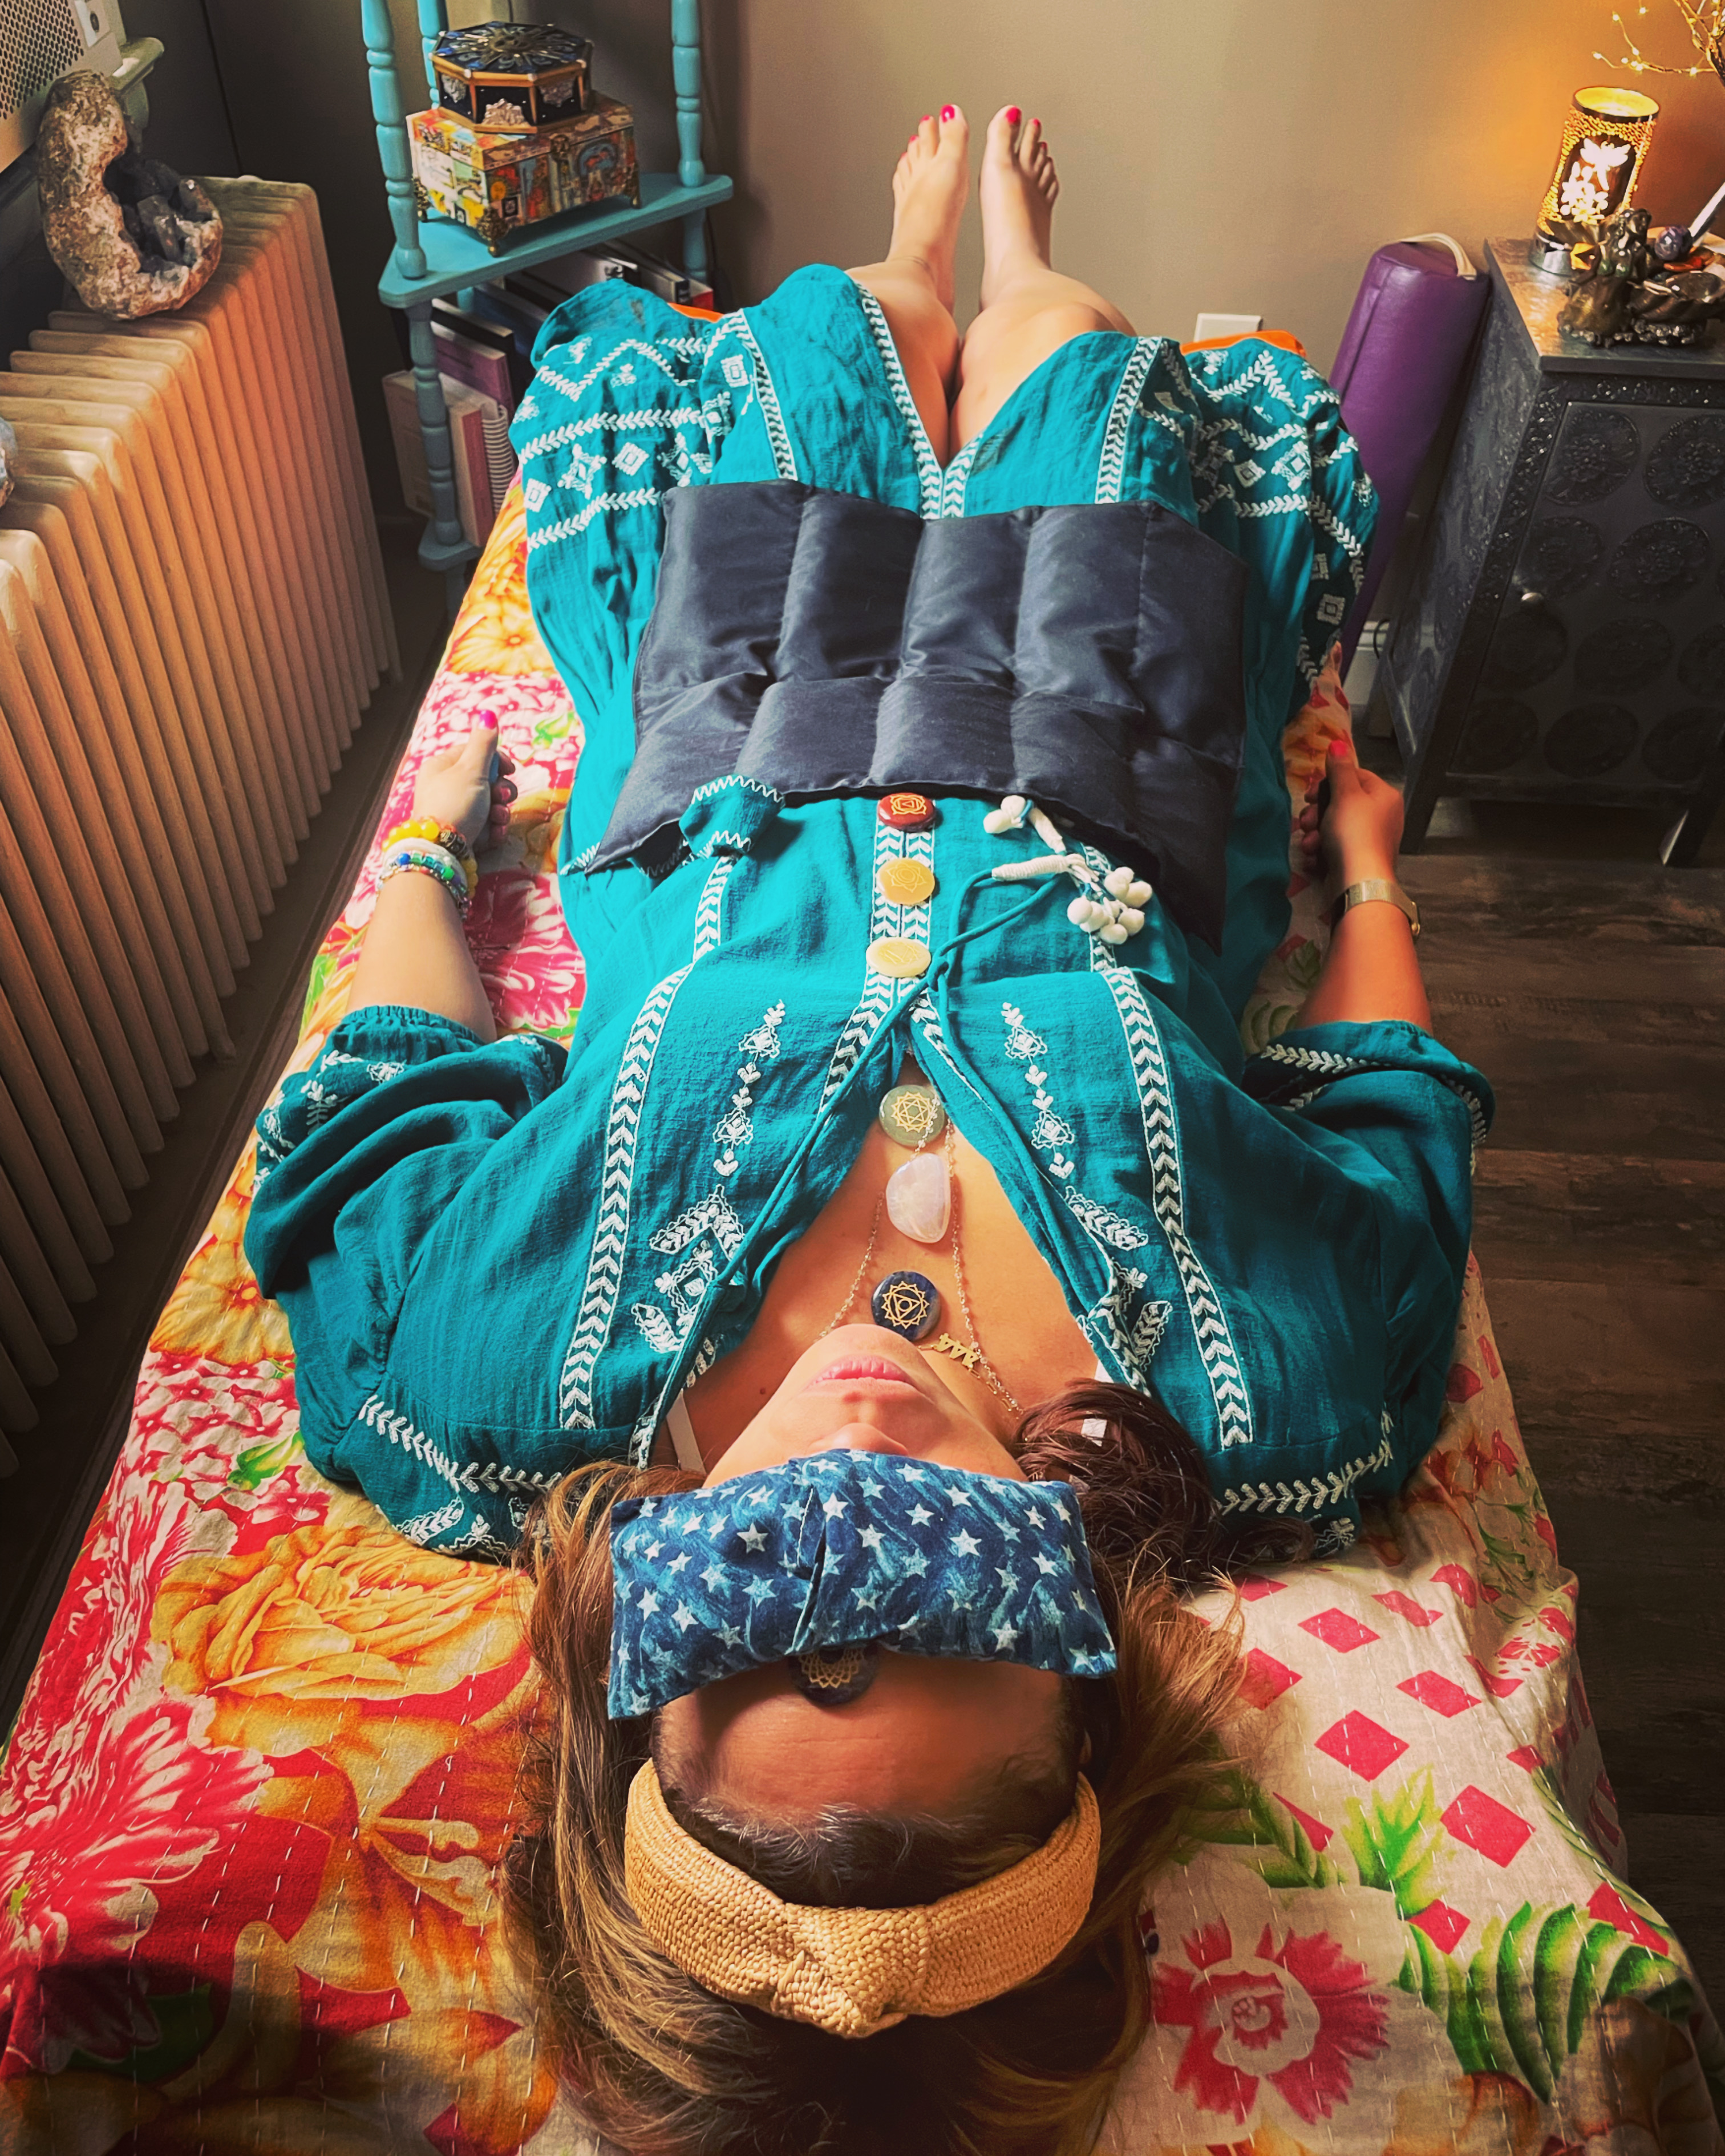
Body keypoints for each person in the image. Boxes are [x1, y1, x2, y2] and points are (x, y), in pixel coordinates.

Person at [246, 106, 1491, 2156]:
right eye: (942, 1579)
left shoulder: (481, 1379)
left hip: (746, 725)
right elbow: (1396, 1119)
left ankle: (919, 250)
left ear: (643, 1672)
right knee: (1073, 349)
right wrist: (1365, 869)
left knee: (832, 329)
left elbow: (379, 1092)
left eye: (761, 1579)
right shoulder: (1277, 1397)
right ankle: (1014, 255)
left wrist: (435, 854)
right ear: (1081, 1671)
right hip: (1109, 726)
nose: (863, 1451)